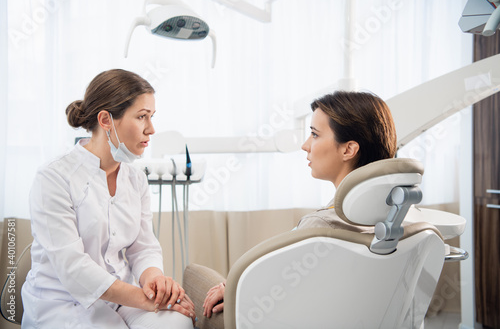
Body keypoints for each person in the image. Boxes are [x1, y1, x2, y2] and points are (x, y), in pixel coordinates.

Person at [199, 90, 398, 321]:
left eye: (314, 134)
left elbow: (278, 294)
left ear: (348, 149)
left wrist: (233, 290)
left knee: (194, 277)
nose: (305, 146)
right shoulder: (393, 220)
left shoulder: (321, 227)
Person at [21, 69, 195, 328]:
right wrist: (145, 300)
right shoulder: (54, 177)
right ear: (106, 120)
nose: (151, 129)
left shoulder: (136, 180)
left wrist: (153, 282)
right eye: (141, 117)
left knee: (176, 323)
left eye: (152, 117)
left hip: (122, 298)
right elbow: (73, 268)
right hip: (62, 303)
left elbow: (143, 247)